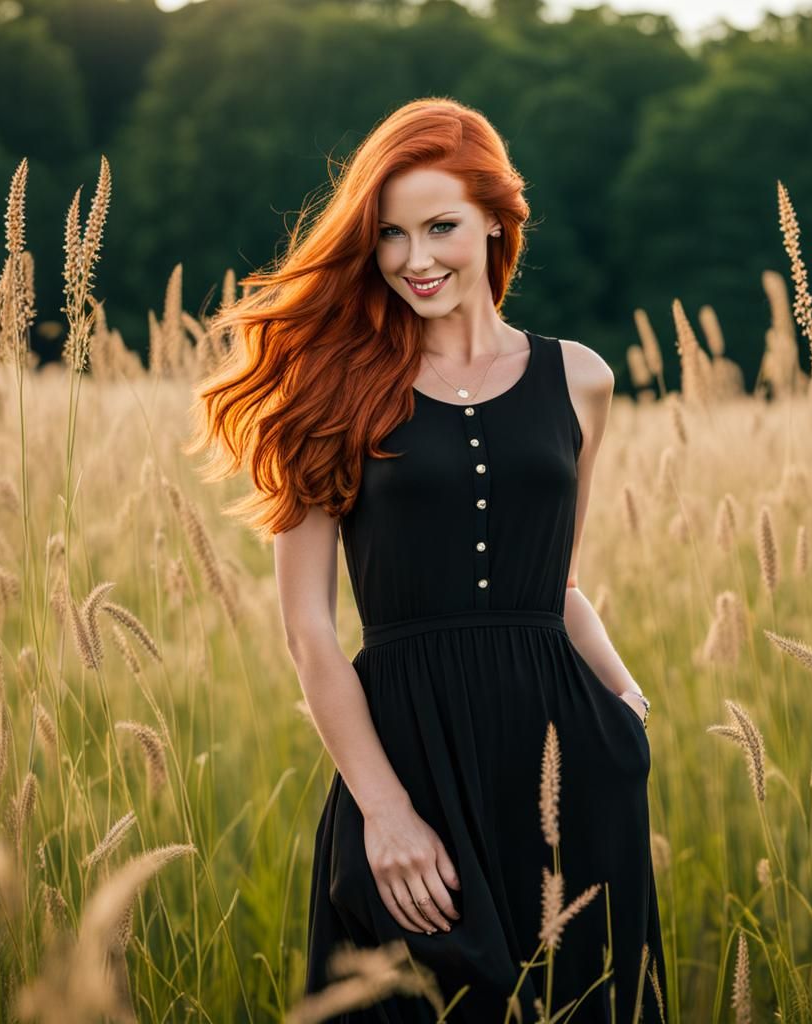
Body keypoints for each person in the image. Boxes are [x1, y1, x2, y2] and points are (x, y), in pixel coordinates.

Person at [188, 96, 666, 1022]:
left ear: (495, 218)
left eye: (440, 226)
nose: (415, 258)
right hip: (407, 764)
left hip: (569, 765)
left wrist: (626, 702)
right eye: (391, 235)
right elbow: (309, 632)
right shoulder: (328, 390)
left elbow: (559, 584)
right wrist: (385, 812)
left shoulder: (582, 379)